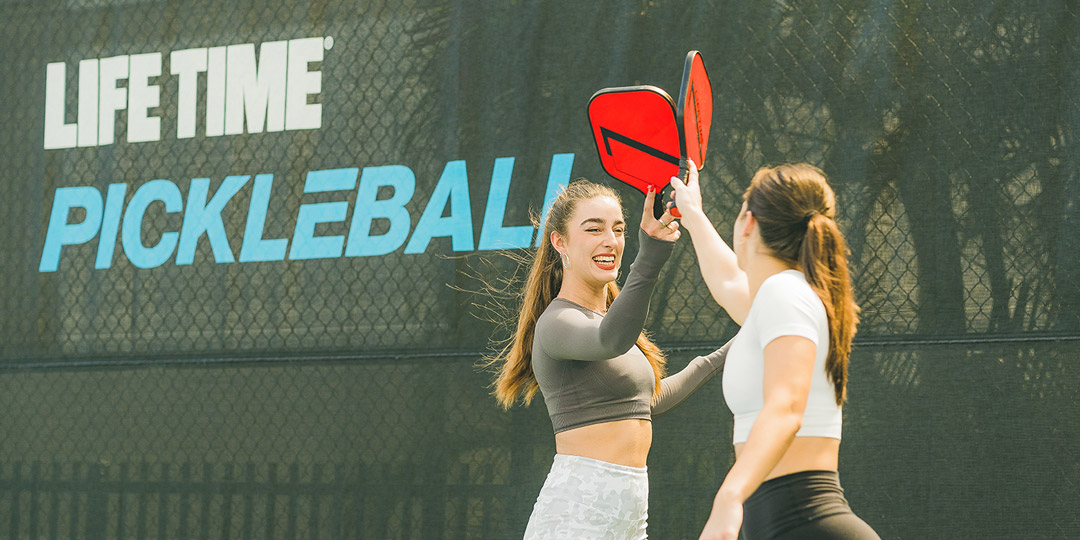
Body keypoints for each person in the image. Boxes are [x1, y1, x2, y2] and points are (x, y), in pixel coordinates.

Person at [487, 179, 733, 540]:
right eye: (594, 229)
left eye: (618, 230)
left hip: (631, 516)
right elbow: (612, 339)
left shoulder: (607, 322)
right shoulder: (557, 322)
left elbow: (647, 401)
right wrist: (650, 256)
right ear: (560, 242)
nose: (610, 241)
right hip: (577, 514)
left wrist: (730, 352)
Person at [669, 162, 881, 540]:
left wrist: (728, 499)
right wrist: (693, 216)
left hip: (805, 523)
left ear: (748, 223)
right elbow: (728, 282)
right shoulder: (787, 294)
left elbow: (786, 408)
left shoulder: (785, 293)